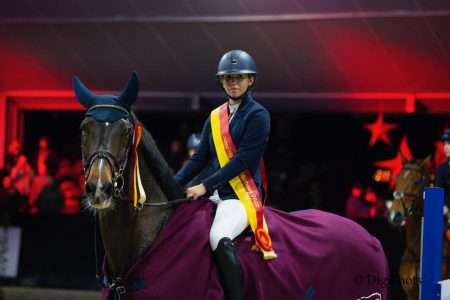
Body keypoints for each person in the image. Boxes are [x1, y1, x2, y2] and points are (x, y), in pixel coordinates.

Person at [174, 50, 276, 300]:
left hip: (239, 196)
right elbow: (198, 158)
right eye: (228, 78)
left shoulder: (258, 115)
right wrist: (173, 183)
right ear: (221, 81)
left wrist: (204, 187)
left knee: (218, 236)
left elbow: (242, 161)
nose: (234, 82)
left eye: (239, 77)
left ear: (250, 80)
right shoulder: (214, 116)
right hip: (214, 194)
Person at [436, 129, 450, 208]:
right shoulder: (441, 169)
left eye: (449, 144)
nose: (445, 147)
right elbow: (438, 192)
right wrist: (444, 206)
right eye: (445, 144)